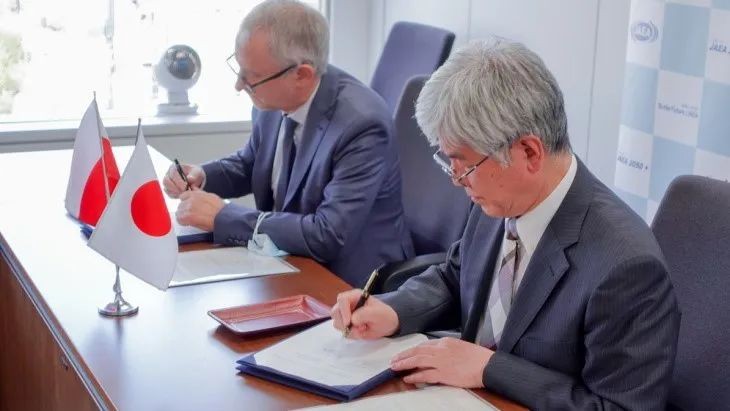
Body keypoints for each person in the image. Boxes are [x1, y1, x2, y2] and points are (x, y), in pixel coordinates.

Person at [331, 38, 680, 410]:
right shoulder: (498, 196)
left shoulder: (626, 267)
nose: (457, 180)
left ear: (529, 152)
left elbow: (618, 407)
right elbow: (456, 276)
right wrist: (395, 309)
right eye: (450, 163)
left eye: (465, 165)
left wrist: (491, 369)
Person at [163, 0, 413, 286]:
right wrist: (203, 175)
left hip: (351, 281)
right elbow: (254, 162)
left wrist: (224, 216)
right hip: (287, 258)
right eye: (240, 70)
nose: (239, 85)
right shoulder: (271, 96)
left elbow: (327, 235)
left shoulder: (362, 125)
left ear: (301, 75)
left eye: (252, 78)